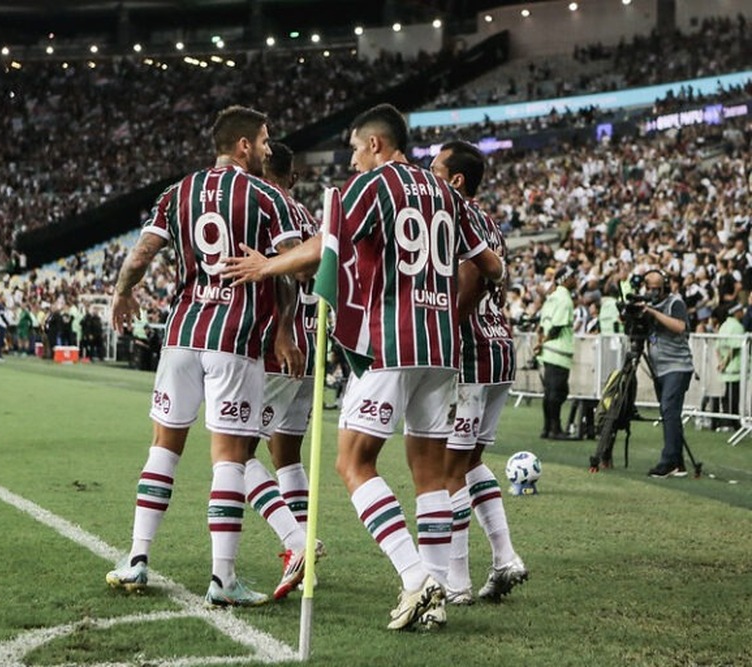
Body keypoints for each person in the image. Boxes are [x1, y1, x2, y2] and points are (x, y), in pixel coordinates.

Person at [223, 104, 504, 630]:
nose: (351, 161)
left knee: (352, 463)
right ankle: (436, 594)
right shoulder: (447, 193)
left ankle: (417, 577)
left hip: (390, 344)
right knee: (430, 476)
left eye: (354, 149)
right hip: (442, 349)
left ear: (376, 145)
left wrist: (266, 265)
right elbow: (491, 265)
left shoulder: (375, 186)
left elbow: (319, 250)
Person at [105, 105, 302, 607]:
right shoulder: (267, 196)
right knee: (231, 458)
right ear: (242, 146)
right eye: (262, 141)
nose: (265, 148)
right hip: (235, 339)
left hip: (182, 331)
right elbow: (286, 272)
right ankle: (223, 578)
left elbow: (142, 253)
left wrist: (123, 293)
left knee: (162, 447)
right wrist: (283, 328)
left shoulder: (178, 192)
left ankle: (137, 557)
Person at [432, 141, 527, 606]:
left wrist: (442, 332)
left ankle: (457, 581)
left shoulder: (458, 217)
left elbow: (470, 279)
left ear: (456, 181)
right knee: (470, 463)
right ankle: (505, 558)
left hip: (469, 354)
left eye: (436, 170)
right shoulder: (489, 221)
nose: (429, 178)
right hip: (498, 347)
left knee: (449, 469)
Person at [242, 141, 323, 601]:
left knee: (237, 453)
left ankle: (296, 545)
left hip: (280, 344)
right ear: (293, 176)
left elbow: (286, 273)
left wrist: (283, 330)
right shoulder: (309, 217)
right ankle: (305, 551)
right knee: (287, 456)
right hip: (311, 348)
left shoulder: (266, 209)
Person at [640, 270, 695, 478]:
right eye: (649, 288)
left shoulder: (675, 303)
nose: (653, 292)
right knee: (668, 413)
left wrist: (653, 313)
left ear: (665, 287)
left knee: (669, 410)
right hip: (660, 368)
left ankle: (668, 461)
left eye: (657, 288)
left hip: (677, 366)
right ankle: (678, 463)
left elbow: (680, 327)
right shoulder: (647, 305)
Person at [535, 265, 576, 440]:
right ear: (565, 279)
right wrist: (544, 341)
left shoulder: (551, 298)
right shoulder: (565, 300)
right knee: (557, 393)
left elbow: (541, 325)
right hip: (559, 352)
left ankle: (546, 428)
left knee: (550, 392)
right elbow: (558, 327)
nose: (576, 280)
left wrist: (540, 343)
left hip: (547, 352)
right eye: (573, 277)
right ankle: (555, 429)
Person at [715, 301, 745, 431]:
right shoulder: (738, 327)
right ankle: (733, 422)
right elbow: (733, 348)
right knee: (734, 396)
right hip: (734, 368)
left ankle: (727, 421)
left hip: (725, 369)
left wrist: (720, 362)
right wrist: (725, 362)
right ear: (736, 312)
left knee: (727, 395)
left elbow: (717, 346)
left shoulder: (724, 325)